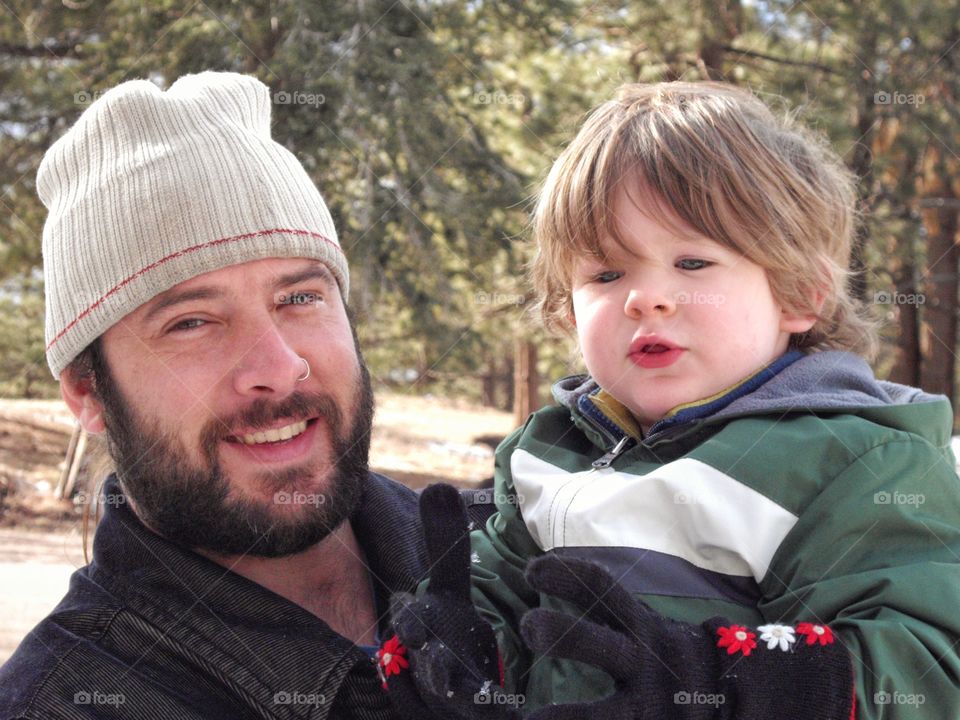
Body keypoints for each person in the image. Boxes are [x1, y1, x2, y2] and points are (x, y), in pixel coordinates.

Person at [387, 82, 960, 719]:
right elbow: (500, 604)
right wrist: (461, 649)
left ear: (799, 294)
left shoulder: (853, 464)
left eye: (691, 262)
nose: (645, 298)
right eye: (606, 274)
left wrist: (729, 685)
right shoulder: (547, 456)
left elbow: (929, 667)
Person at [0, 71, 477, 720]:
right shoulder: (64, 705)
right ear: (89, 391)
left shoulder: (515, 560)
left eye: (300, 297)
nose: (278, 368)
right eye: (191, 322)